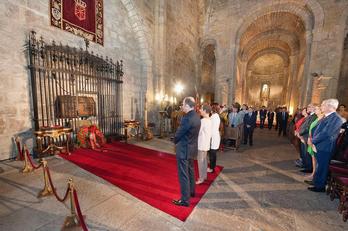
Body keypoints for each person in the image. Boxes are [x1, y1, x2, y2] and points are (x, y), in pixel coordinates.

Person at [308, 99, 343, 192]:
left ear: (330, 107)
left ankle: (320, 186)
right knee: (319, 165)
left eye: (323, 105)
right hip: (320, 145)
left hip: (325, 147)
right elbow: (318, 129)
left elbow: (326, 133)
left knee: (322, 167)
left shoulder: (336, 118)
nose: (321, 106)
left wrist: (313, 141)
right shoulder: (327, 116)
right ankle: (316, 182)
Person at [172, 97, 201, 206]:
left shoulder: (187, 118)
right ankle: (192, 191)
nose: (182, 106)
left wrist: (175, 140)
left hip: (184, 149)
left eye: (183, 104)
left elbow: (179, 134)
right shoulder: (197, 116)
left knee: (183, 175)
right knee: (191, 171)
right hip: (192, 149)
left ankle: (185, 200)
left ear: (188, 106)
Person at [304, 105, 323, 182]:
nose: (315, 110)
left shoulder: (322, 118)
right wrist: (309, 138)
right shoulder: (317, 118)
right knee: (313, 158)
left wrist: (312, 140)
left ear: (321, 110)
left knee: (315, 159)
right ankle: (313, 173)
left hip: (315, 141)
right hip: (311, 139)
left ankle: (314, 174)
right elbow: (311, 129)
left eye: (316, 109)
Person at [196, 104, 212, 184]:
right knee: (204, 160)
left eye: (201, 109)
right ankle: (204, 176)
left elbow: (198, 132)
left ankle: (201, 178)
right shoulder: (210, 120)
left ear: (205, 111)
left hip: (202, 143)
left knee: (200, 161)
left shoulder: (203, 121)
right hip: (206, 143)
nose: (200, 110)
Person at [208, 103, 221, 173]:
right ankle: (212, 166)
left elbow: (212, 128)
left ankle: (212, 168)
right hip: (214, 136)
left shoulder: (214, 116)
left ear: (213, 108)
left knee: (212, 154)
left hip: (213, 137)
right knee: (212, 153)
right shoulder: (214, 116)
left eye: (210, 108)